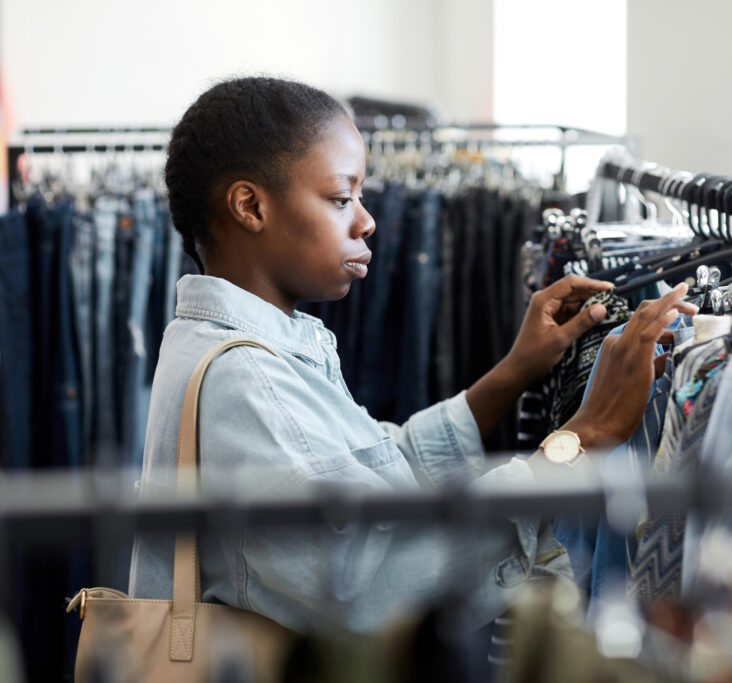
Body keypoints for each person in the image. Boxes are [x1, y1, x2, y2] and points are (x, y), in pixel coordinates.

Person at [128, 76, 695, 634]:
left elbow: (369, 473)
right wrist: (583, 437)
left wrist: (513, 372)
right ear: (250, 207)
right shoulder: (249, 379)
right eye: (339, 198)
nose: (366, 220)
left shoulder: (236, 347)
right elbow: (367, 582)